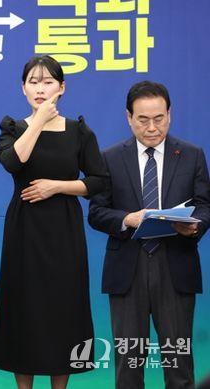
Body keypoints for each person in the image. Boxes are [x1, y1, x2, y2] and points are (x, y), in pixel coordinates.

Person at [0, 55, 109, 389]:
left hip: (64, 230)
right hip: (24, 230)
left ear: (62, 87)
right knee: (23, 306)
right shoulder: (12, 128)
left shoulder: (78, 131)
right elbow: (13, 162)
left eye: (48, 82)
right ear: (23, 88)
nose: (40, 89)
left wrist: (57, 187)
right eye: (33, 82)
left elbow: (99, 181)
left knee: (63, 307)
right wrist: (38, 122)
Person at [88, 81, 210, 389]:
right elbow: (96, 212)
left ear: (170, 114)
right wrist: (127, 219)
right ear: (129, 117)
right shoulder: (110, 158)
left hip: (175, 265)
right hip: (127, 270)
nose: (152, 128)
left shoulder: (192, 155)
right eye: (143, 120)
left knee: (178, 364)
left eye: (159, 118)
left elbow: (204, 205)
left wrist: (195, 225)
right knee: (128, 365)